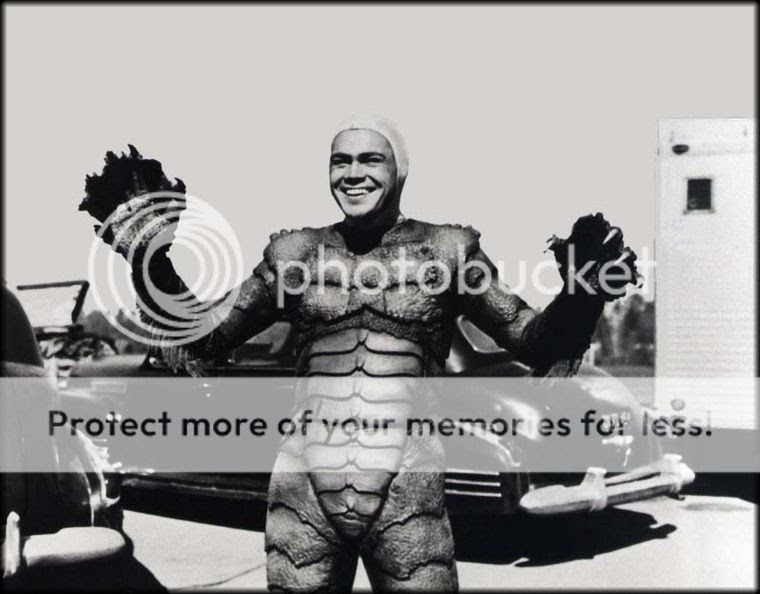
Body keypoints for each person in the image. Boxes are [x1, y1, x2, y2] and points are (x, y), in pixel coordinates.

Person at [80, 116, 637, 591]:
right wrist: (150, 258)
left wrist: (581, 293)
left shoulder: (449, 251)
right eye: (339, 161)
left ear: (401, 170)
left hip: (407, 490)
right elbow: (206, 336)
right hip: (304, 493)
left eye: (371, 159)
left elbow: (533, 341)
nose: (352, 173)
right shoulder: (295, 254)